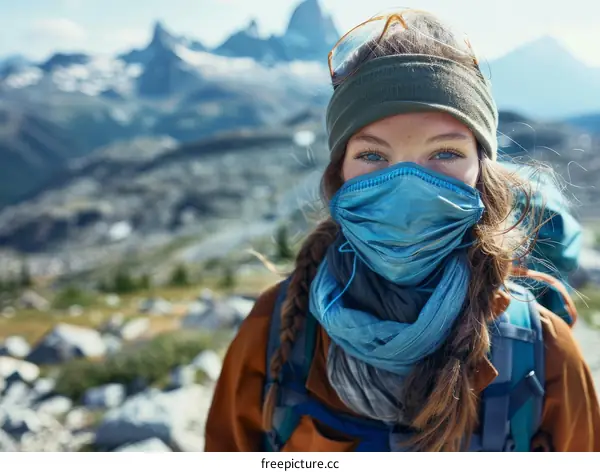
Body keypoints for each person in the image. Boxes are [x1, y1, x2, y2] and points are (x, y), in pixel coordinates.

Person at [204, 9, 600, 452]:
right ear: (338, 177)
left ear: (482, 173)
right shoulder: (273, 329)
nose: (408, 187)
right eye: (373, 156)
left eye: (445, 153)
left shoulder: (543, 351)